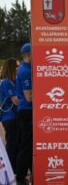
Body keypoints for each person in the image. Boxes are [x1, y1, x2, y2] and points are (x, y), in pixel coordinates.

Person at [15, 43, 33, 185]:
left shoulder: (27, 69)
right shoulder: (25, 71)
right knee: (26, 146)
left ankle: (25, 174)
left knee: (29, 145)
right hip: (27, 111)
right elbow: (29, 96)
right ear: (28, 54)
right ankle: (20, 177)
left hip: (26, 111)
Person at [0, 58, 19, 171]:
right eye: (17, 66)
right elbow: (15, 100)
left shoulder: (15, 81)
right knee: (12, 144)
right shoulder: (6, 82)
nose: (18, 68)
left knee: (17, 144)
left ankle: (15, 169)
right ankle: (10, 170)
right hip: (10, 118)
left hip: (16, 117)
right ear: (11, 68)